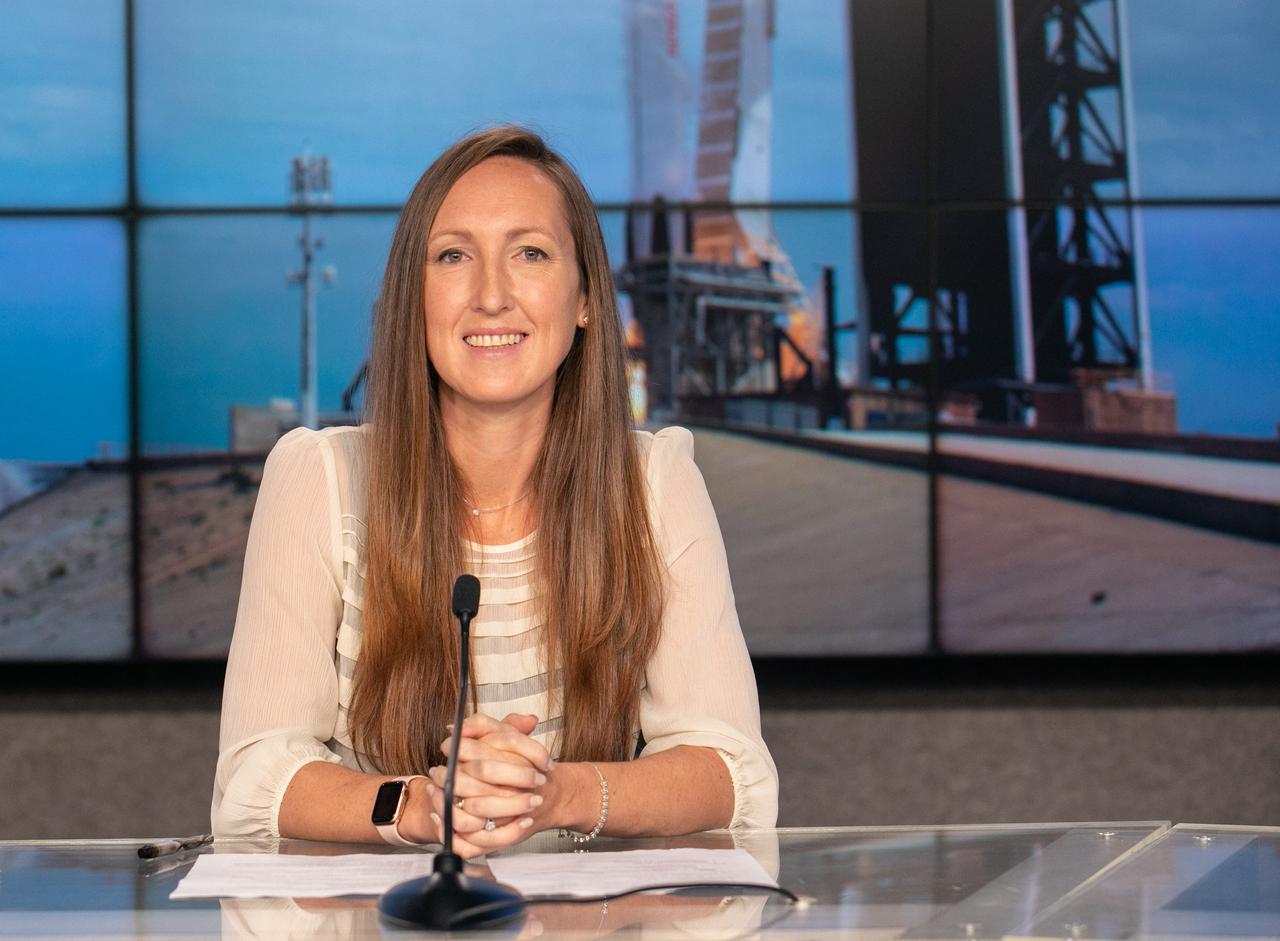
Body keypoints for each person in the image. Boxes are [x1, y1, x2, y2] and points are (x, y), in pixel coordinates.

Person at [212, 126, 777, 857]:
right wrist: (419, 805)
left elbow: (732, 772)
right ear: (413, 298)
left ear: (586, 302)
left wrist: (556, 794)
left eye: (530, 254)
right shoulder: (317, 479)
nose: (491, 295)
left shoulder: (655, 482)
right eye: (453, 256)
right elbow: (254, 777)